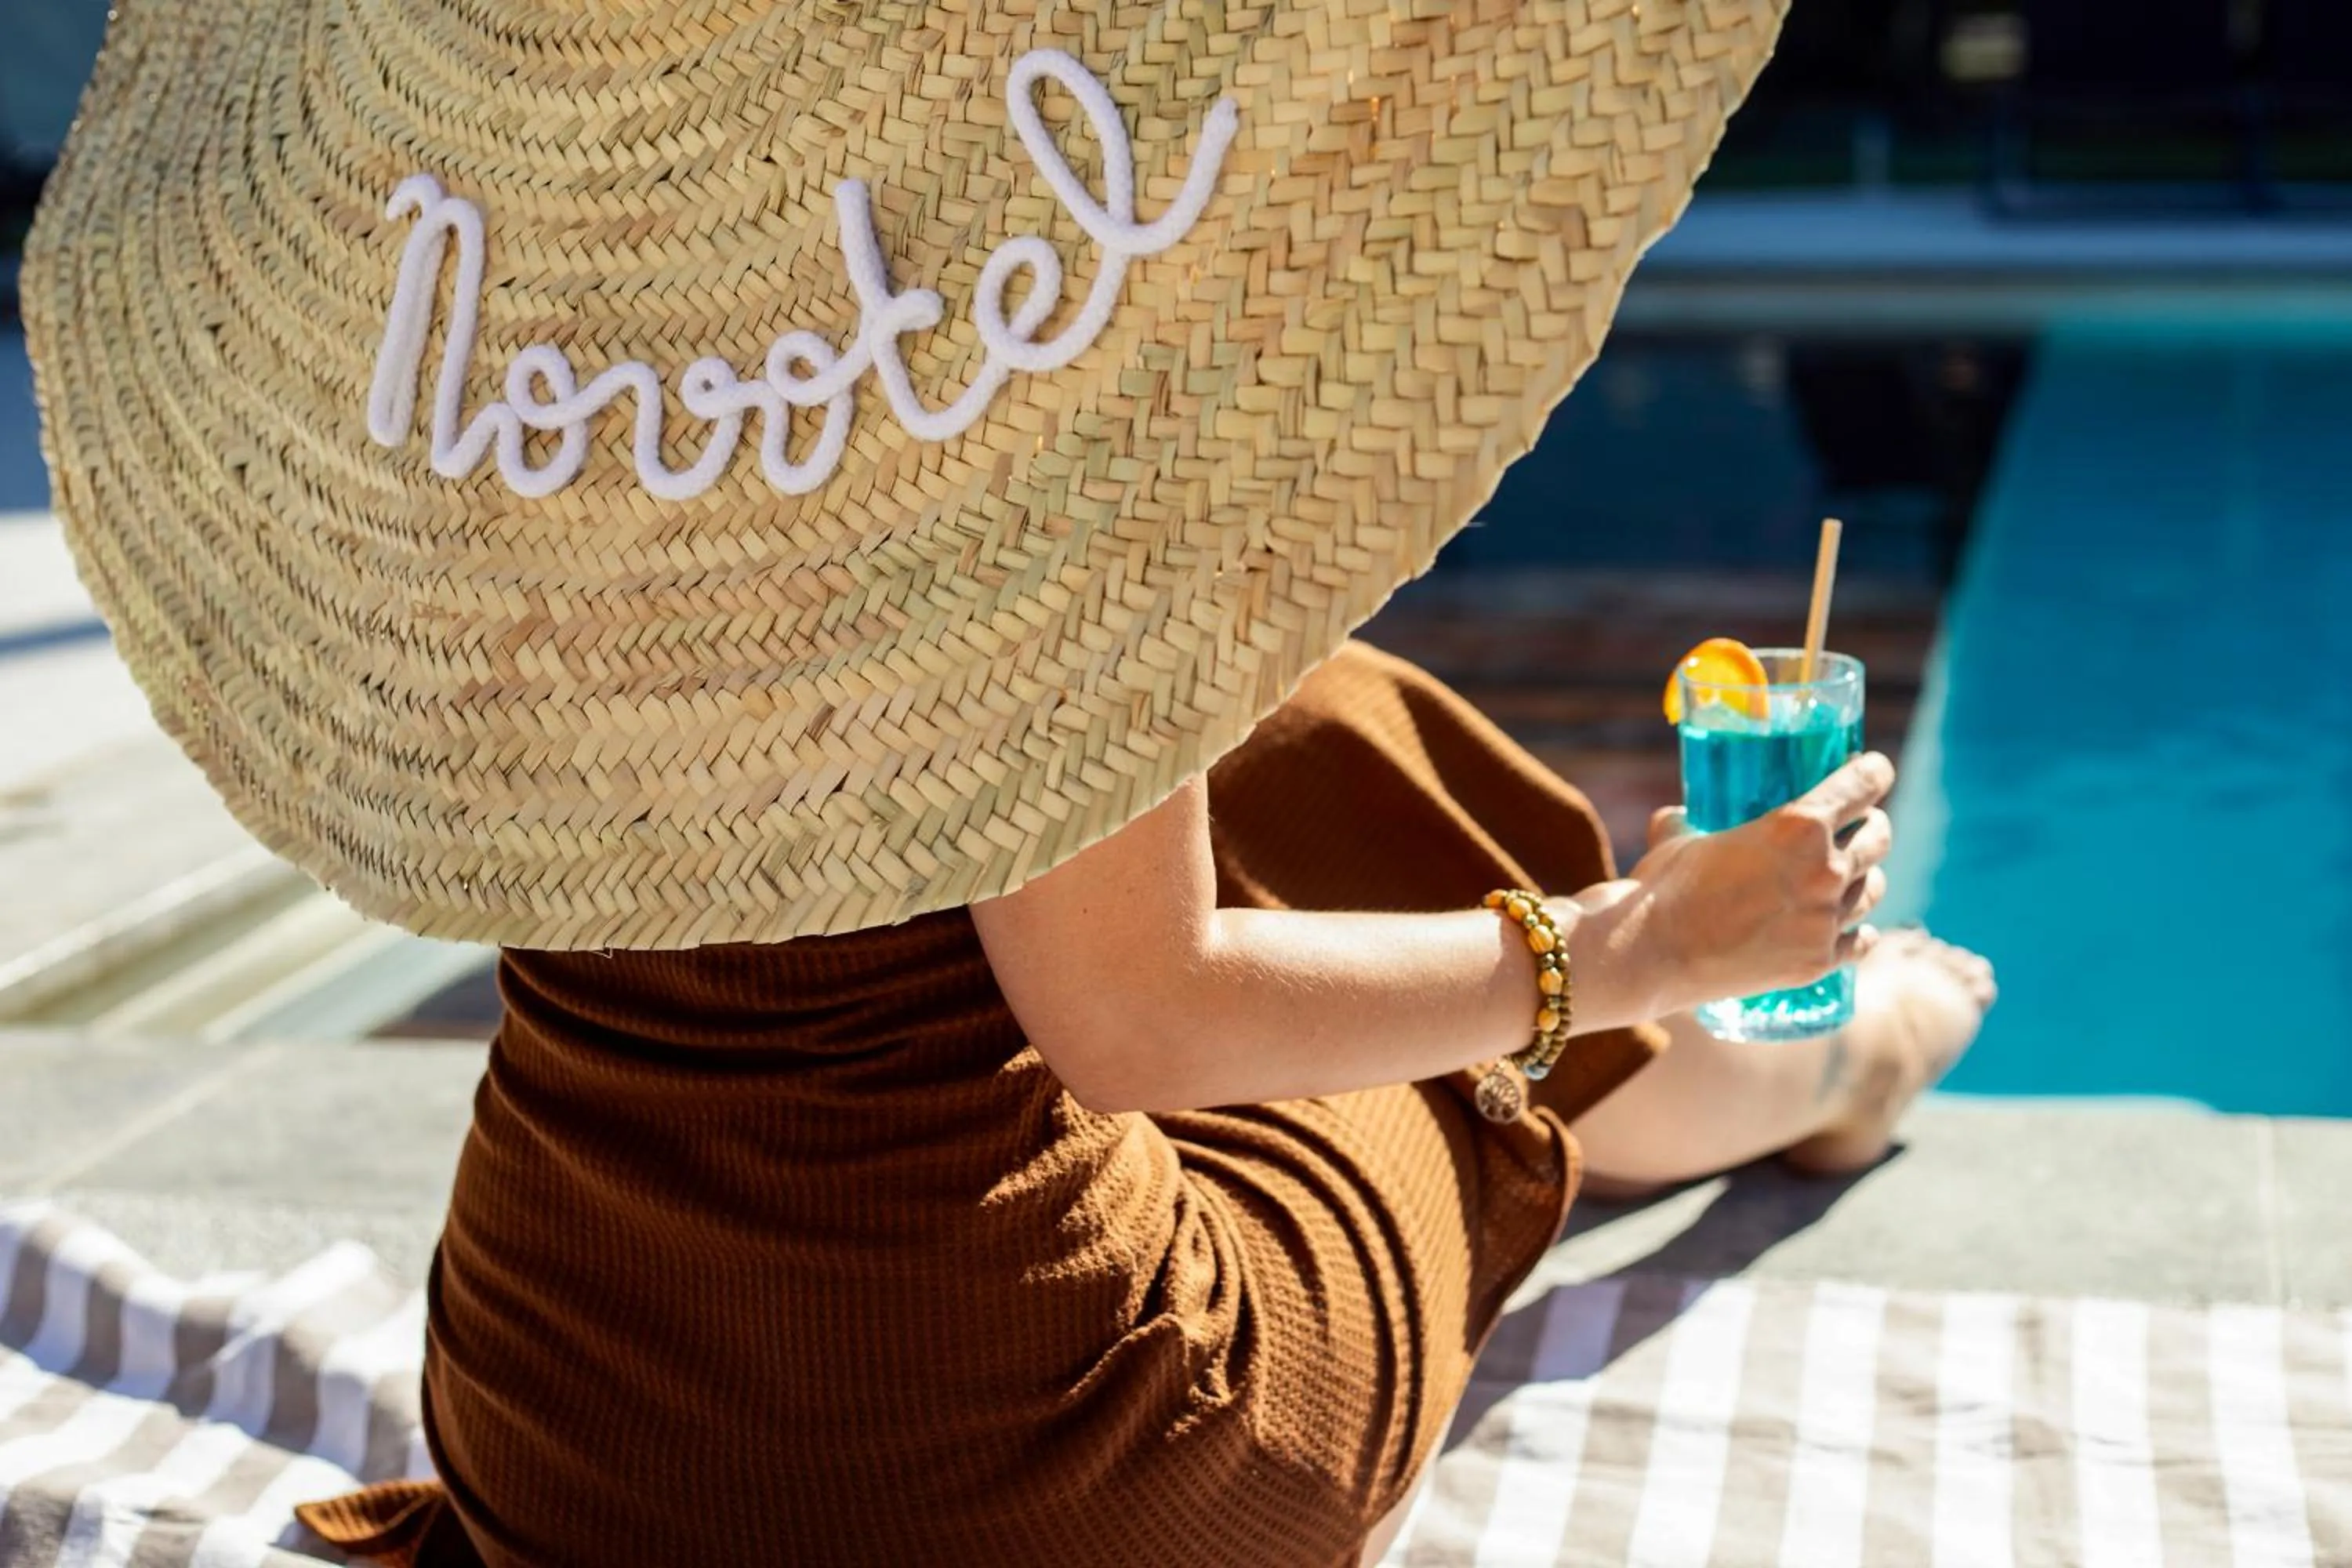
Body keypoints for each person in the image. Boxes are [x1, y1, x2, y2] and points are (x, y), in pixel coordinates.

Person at [24, 0, 1991, 1562]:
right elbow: (1136, 1017)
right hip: (1027, 1472)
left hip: (575, 1439)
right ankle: (1792, 1056)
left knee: (1292, 724)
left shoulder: (474, 341)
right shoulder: (1016, 401)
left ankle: (1769, 1055)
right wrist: (1627, 941)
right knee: (1438, 1035)